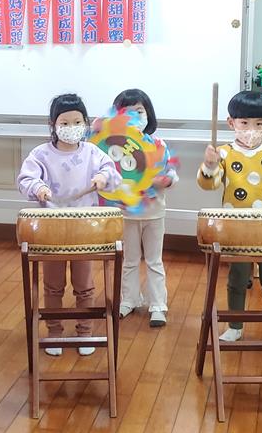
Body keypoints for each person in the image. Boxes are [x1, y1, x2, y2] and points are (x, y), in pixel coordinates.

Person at [17, 93, 121, 356]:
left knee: (84, 285)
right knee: (53, 285)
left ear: (85, 123)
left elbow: (112, 174)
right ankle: (54, 332)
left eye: (77, 122)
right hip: (52, 230)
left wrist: (103, 177)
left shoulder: (92, 152)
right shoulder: (40, 154)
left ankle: (85, 331)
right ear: (52, 124)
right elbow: (25, 179)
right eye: (64, 123)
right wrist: (38, 188)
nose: (71, 127)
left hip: (85, 230)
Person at [198, 90, 262, 347]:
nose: (251, 130)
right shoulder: (223, 153)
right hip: (237, 230)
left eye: (259, 124)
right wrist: (209, 166)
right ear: (231, 123)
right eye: (244, 123)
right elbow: (209, 185)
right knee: (236, 280)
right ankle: (235, 326)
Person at [109, 89, 179, 327]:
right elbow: (109, 176)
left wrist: (165, 181)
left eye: (139, 111)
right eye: (126, 113)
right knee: (129, 260)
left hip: (154, 212)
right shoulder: (114, 147)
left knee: (154, 261)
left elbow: (171, 174)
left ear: (148, 113)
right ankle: (128, 300)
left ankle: (158, 305)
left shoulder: (158, 144)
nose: (134, 117)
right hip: (126, 213)